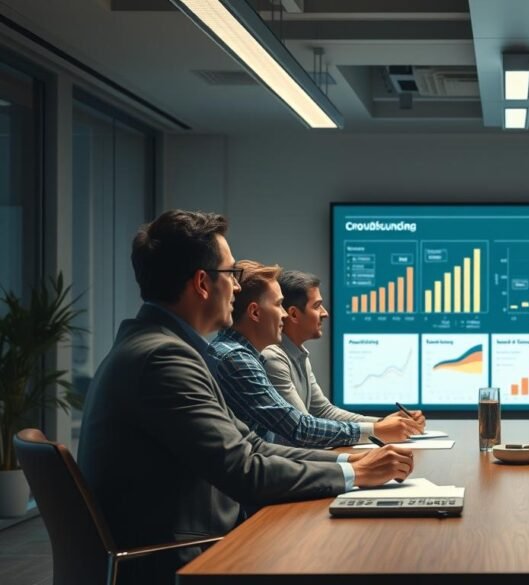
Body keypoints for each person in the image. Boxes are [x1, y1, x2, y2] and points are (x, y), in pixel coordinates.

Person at [77, 211, 414, 585]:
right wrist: (355, 473)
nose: (237, 288)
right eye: (231, 274)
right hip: (181, 560)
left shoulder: (161, 346)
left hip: (191, 544)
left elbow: (251, 445)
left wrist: (351, 461)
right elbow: (244, 471)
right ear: (202, 283)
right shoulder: (164, 359)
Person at [208, 261, 424, 447]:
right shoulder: (241, 359)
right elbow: (300, 429)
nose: (284, 314)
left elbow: (321, 412)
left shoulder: (250, 355)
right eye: (279, 305)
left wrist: (383, 426)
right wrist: (375, 433)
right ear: (255, 312)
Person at [261, 269, 426, 434]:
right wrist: (377, 429)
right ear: (294, 314)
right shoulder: (274, 358)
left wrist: (385, 423)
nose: (325, 313)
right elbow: (305, 428)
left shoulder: (298, 355)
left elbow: (324, 411)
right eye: (317, 306)